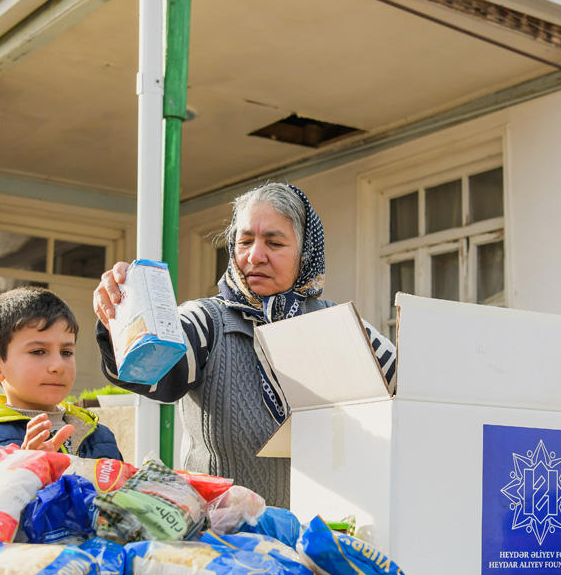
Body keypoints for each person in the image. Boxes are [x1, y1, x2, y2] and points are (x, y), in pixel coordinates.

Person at [93, 182, 396, 507]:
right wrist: (124, 315)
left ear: (305, 252)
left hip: (322, 532)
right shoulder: (206, 321)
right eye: (245, 241)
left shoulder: (339, 325)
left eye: (274, 243)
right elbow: (157, 375)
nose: (255, 256)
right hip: (227, 538)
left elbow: (412, 392)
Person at [0, 287, 122, 502]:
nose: (58, 365)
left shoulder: (99, 436)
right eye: (38, 352)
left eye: (67, 352)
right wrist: (24, 470)